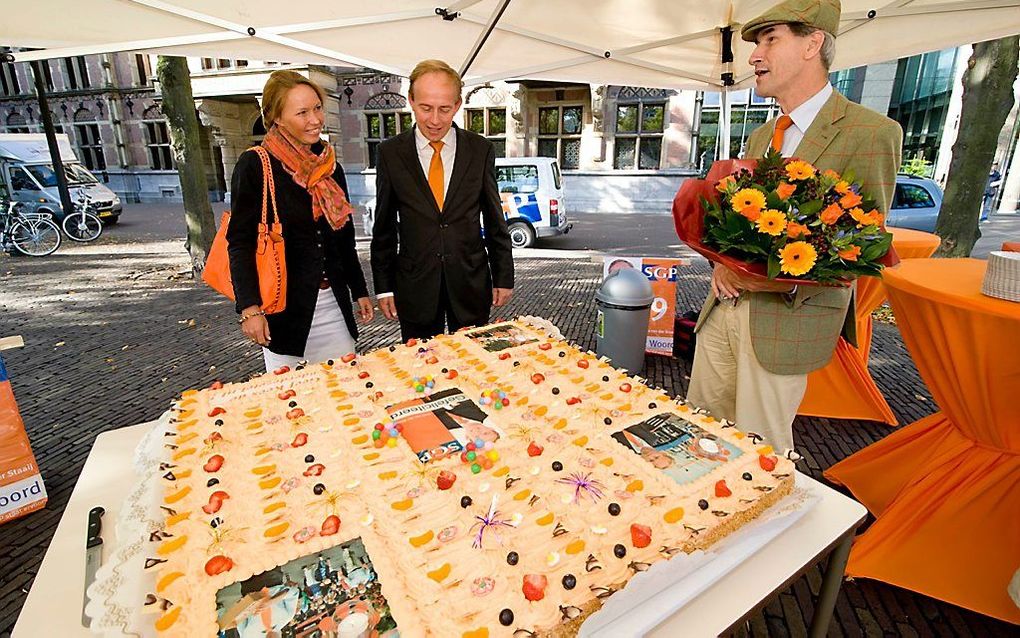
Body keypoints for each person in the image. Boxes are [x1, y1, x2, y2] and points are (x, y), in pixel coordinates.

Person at [685, 0, 903, 455]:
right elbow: (743, 225)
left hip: (785, 322)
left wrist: (771, 281)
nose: (754, 56)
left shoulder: (870, 132)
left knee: (760, 454)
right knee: (701, 437)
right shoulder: (763, 136)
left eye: (770, 39)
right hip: (722, 309)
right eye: (756, 43)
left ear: (813, 44)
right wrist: (723, 265)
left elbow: (862, 247)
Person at [228, 70, 373, 371]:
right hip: (284, 313)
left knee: (347, 393)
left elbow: (343, 238)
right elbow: (240, 243)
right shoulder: (255, 165)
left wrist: (359, 290)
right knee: (294, 405)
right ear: (277, 118)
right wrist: (250, 309)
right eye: (302, 112)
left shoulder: (330, 166)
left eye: (317, 108)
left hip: (334, 305)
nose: (315, 120)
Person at [370, 59, 514, 341]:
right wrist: (384, 287)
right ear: (411, 101)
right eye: (425, 108)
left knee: (476, 364)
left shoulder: (480, 149)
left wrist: (503, 276)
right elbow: (384, 226)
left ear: (458, 105)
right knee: (423, 367)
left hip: (471, 282)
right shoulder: (390, 153)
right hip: (415, 286)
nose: (434, 120)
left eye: (444, 109)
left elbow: (495, 219)